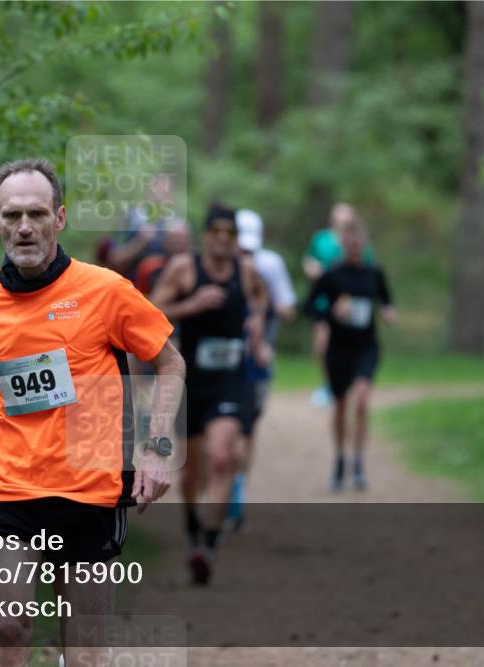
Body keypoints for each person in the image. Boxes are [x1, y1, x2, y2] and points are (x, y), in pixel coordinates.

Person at [0, 158, 185, 667]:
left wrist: (157, 449)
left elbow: (170, 362)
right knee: (9, 626)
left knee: (85, 651)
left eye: (37, 214)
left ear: (59, 218)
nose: (25, 227)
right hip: (6, 486)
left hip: (90, 486)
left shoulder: (105, 290)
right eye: (13, 215)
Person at [149, 204, 268, 585]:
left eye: (229, 233)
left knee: (222, 457)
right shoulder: (184, 268)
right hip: (191, 379)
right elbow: (150, 309)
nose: (222, 238)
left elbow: (261, 296)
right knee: (190, 471)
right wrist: (191, 304)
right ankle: (192, 528)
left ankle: (209, 544)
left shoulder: (245, 271)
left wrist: (257, 324)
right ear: (205, 235)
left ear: (236, 238)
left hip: (231, 379)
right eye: (216, 231)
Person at [303, 216, 395, 491]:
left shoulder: (374, 273)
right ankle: (340, 459)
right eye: (350, 245)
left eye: (358, 245)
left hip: (366, 347)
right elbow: (309, 306)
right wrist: (330, 312)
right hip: (339, 349)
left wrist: (388, 311)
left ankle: (358, 462)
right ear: (343, 245)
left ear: (364, 244)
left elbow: (386, 299)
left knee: (362, 401)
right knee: (341, 405)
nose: (354, 249)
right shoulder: (332, 275)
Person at [226, 209, 296, 529]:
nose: (246, 256)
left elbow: (287, 308)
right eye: (241, 249)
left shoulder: (270, 266)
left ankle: (237, 488)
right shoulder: (212, 267)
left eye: (250, 250)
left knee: (247, 426)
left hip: (256, 359)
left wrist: (266, 319)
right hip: (222, 362)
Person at [301, 203, 374, 407]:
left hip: (349, 304)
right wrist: (311, 269)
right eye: (338, 220)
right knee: (321, 344)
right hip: (324, 300)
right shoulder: (320, 239)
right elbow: (308, 259)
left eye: (346, 221)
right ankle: (329, 384)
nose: (341, 225)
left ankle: (348, 381)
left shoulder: (360, 244)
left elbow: (369, 273)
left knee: (347, 347)